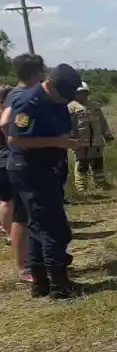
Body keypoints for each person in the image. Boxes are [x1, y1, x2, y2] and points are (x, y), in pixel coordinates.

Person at [4, 62, 83, 298]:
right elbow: (15, 140)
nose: (67, 100)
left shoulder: (58, 102)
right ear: (50, 84)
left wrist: (65, 140)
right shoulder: (29, 102)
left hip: (48, 170)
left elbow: (59, 130)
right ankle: (60, 286)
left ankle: (40, 283)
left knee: (38, 226)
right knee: (53, 229)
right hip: (29, 171)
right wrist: (57, 143)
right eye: (65, 95)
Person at [0, 55, 45, 284]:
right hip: (18, 163)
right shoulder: (18, 95)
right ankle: (23, 267)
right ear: (37, 72)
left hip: (20, 162)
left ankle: (33, 262)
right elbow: (5, 121)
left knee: (28, 213)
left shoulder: (17, 94)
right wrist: (15, 141)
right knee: (21, 215)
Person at [68, 84, 113, 191]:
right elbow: (68, 125)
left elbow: (103, 122)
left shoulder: (95, 106)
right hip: (80, 142)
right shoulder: (71, 107)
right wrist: (71, 139)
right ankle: (81, 188)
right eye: (80, 93)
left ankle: (100, 185)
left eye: (85, 93)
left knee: (98, 163)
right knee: (82, 165)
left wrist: (107, 134)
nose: (83, 96)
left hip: (96, 141)